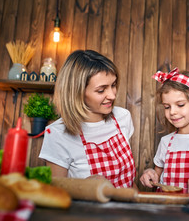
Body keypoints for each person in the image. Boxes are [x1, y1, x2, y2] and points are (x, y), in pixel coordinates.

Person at [39, 50, 136, 188]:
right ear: (77, 92)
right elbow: (56, 192)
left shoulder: (123, 117)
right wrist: (85, 186)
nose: (112, 96)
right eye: (101, 90)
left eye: (113, 85)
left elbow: (130, 183)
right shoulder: (57, 134)